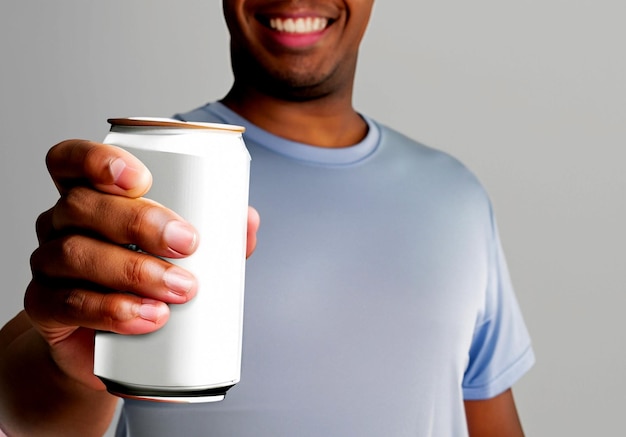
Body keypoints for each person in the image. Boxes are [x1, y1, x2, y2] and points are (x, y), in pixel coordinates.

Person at [0, 0, 535, 436]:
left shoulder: (456, 193)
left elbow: (489, 417)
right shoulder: (143, 182)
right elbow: (27, 401)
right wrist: (65, 370)